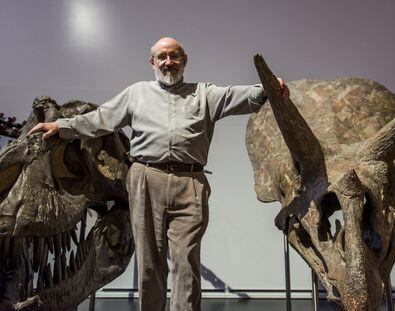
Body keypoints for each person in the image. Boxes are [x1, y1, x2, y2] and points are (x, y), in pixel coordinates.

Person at [29, 37, 289, 311]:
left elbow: (242, 95)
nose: (168, 62)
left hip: (190, 183)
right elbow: (101, 119)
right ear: (152, 62)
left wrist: (270, 89)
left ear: (184, 59)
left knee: (185, 262)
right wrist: (62, 126)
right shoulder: (136, 93)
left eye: (174, 56)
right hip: (145, 179)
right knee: (150, 263)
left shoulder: (204, 93)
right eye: (162, 57)